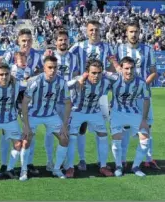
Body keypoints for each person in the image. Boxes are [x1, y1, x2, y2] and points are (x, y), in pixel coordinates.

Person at [69, 20, 116, 171]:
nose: (94, 32)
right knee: (81, 128)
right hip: (82, 91)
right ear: (86, 31)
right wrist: (79, 78)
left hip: (100, 94)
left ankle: (101, 161)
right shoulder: (79, 46)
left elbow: (112, 64)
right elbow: (64, 55)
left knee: (101, 128)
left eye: (96, 29)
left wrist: (110, 74)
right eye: (91, 30)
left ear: (100, 30)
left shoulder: (107, 46)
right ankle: (82, 160)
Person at [115, 21, 160, 169]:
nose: (133, 34)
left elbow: (154, 71)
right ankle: (122, 160)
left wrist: (142, 85)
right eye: (131, 31)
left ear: (140, 32)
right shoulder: (120, 49)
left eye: (136, 31)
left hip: (142, 95)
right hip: (124, 96)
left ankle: (148, 158)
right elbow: (115, 68)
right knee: (124, 127)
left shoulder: (147, 49)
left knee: (147, 125)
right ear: (126, 33)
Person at [0, 28, 43, 176]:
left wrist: (31, 79)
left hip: (28, 99)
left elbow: (41, 72)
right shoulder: (11, 54)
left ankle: (28, 163)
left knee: (30, 131)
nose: (26, 43)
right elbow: (0, 71)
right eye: (23, 40)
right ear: (18, 41)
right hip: (10, 99)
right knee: (6, 132)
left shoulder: (37, 55)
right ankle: (4, 165)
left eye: (29, 40)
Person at [20, 55, 71, 181]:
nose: (52, 70)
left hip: (50, 114)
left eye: (55, 67)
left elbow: (68, 103)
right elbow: (25, 103)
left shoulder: (61, 82)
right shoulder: (35, 81)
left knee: (64, 139)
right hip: (33, 114)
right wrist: (26, 126)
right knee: (26, 139)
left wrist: (64, 125)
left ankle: (57, 169)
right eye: (50, 67)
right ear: (44, 68)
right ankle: (23, 170)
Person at [66, 59, 114, 178]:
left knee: (103, 135)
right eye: (93, 73)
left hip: (94, 112)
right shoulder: (79, 80)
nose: (96, 76)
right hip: (77, 112)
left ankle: (103, 166)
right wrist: (80, 80)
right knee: (72, 137)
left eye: (99, 73)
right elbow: (64, 85)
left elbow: (121, 78)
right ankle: (70, 167)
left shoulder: (105, 82)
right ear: (87, 72)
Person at [43, 28, 78, 173]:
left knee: (66, 131)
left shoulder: (74, 58)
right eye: (60, 39)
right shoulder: (49, 56)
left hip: (67, 100)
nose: (63, 42)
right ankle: (50, 161)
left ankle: (64, 162)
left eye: (65, 39)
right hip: (51, 100)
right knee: (50, 132)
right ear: (55, 41)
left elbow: (75, 75)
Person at [108, 56, 151, 177]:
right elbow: (100, 73)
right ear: (121, 69)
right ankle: (118, 166)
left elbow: (147, 100)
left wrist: (143, 120)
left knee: (145, 138)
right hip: (116, 112)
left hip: (134, 112)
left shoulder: (141, 82)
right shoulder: (114, 78)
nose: (129, 71)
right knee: (116, 140)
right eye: (126, 68)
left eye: (132, 68)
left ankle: (136, 166)